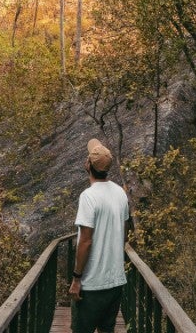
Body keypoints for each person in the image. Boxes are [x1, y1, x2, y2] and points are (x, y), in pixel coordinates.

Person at [69, 138, 130, 333]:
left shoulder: (89, 196)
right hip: (115, 282)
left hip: (92, 284)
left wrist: (77, 279)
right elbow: (124, 232)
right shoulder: (120, 193)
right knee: (107, 329)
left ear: (88, 165)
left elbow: (85, 240)